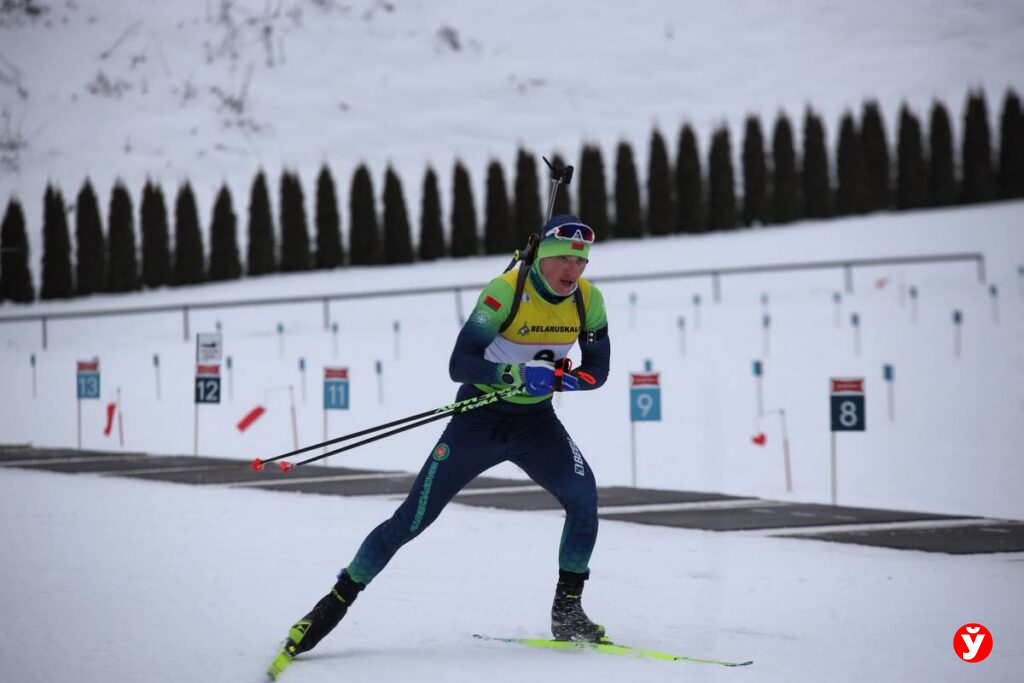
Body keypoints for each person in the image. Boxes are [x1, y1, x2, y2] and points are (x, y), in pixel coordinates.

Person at [269, 214, 611, 675]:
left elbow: (598, 372)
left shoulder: (589, 300)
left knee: (584, 498)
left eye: (581, 260)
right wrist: (509, 374)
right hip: (477, 419)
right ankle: (331, 606)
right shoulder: (504, 292)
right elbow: (460, 362)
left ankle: (567, 613)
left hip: (536, 424)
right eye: (565, 259)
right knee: (411, 519)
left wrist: (563, 379)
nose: (574, 269)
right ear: (544, 258)